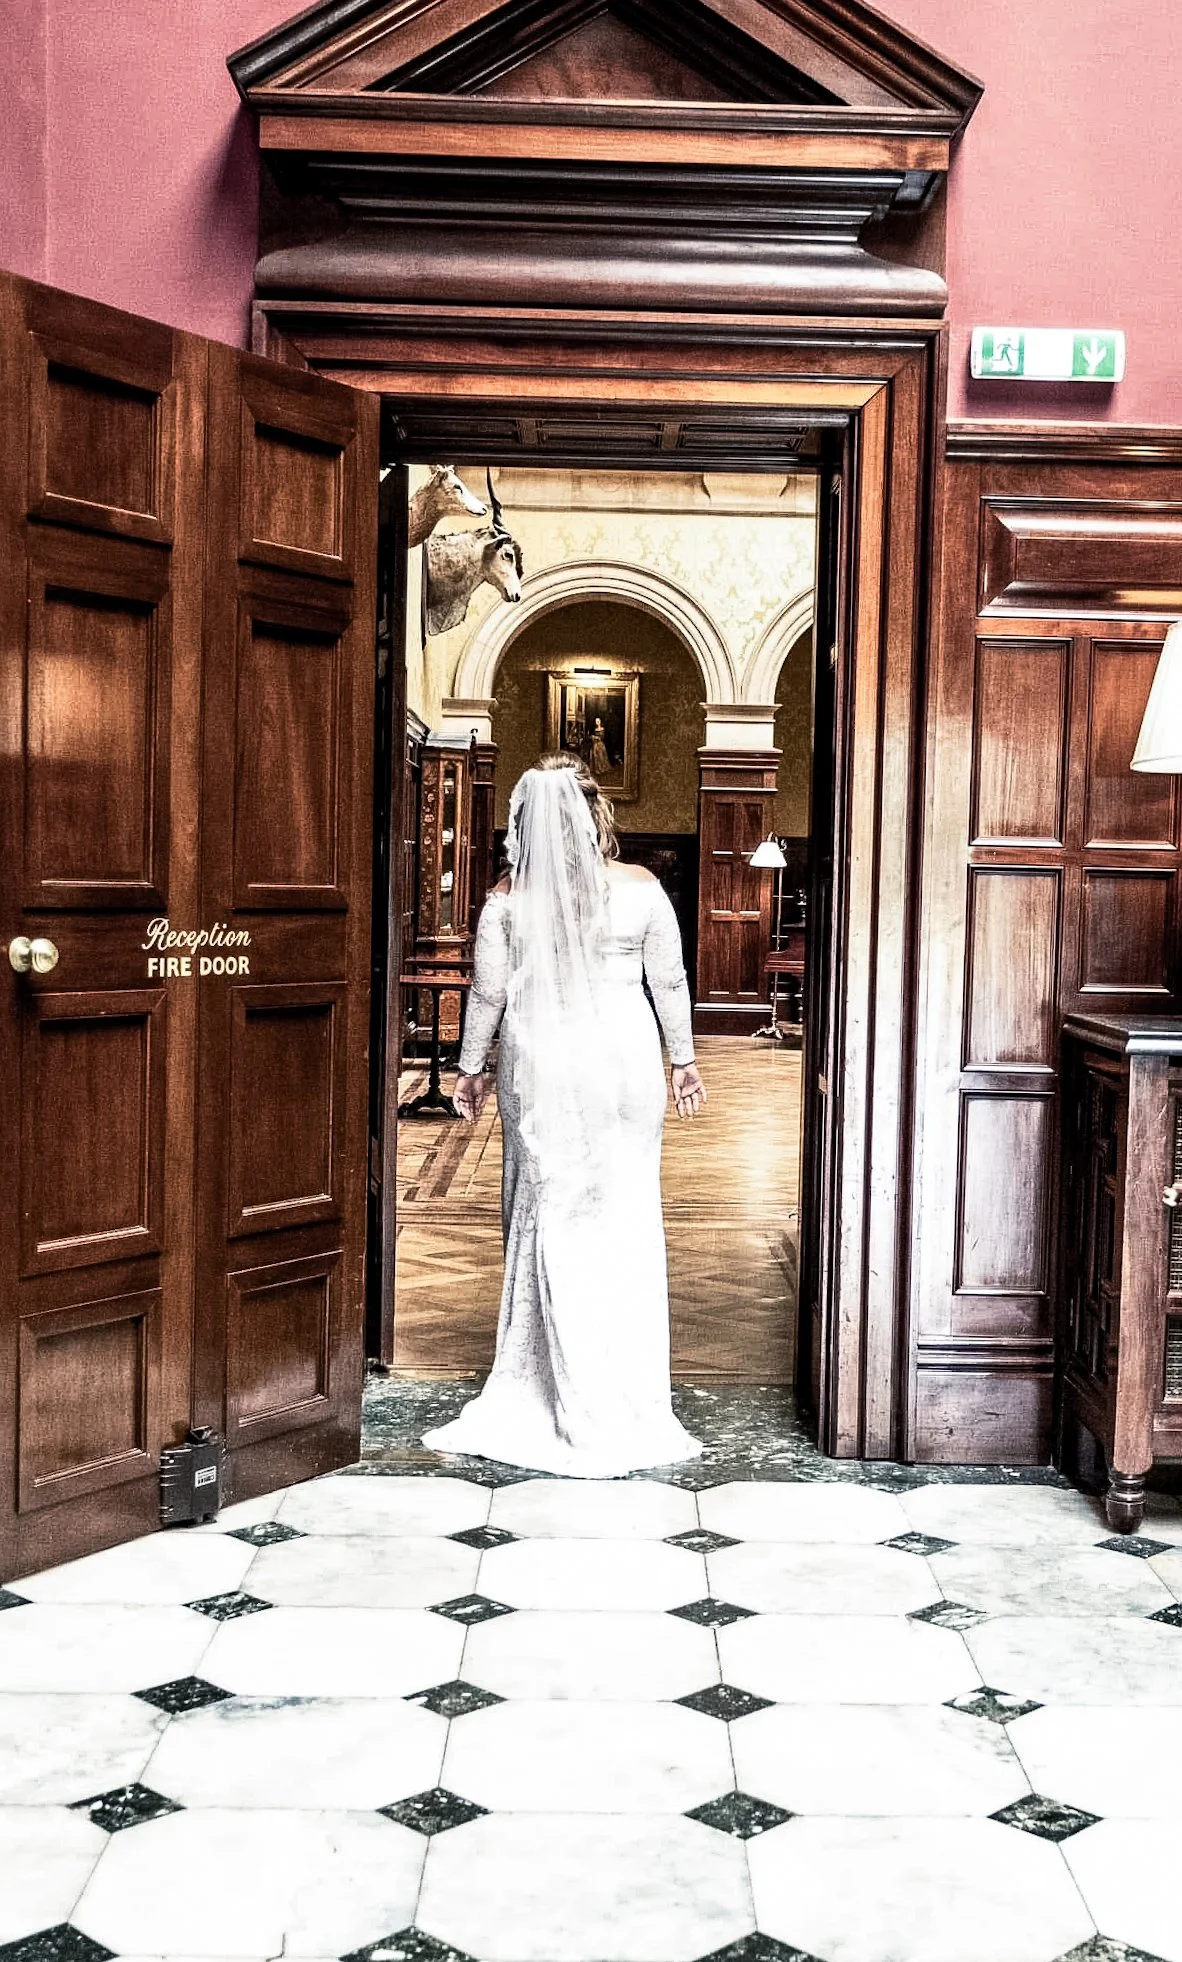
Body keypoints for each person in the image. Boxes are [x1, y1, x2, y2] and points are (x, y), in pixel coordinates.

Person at [422, 754, 707, 1477]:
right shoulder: (641, 888)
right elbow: (667, 980)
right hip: (623, 1056)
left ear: (526, 822)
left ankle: (544, 1376)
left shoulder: (506, 899)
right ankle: (623, 1380)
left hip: (543, 1055)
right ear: (595, 813)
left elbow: (486, 997)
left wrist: (469, 1069)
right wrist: (684, 1060)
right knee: (622, 1208)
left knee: (543, 1204)